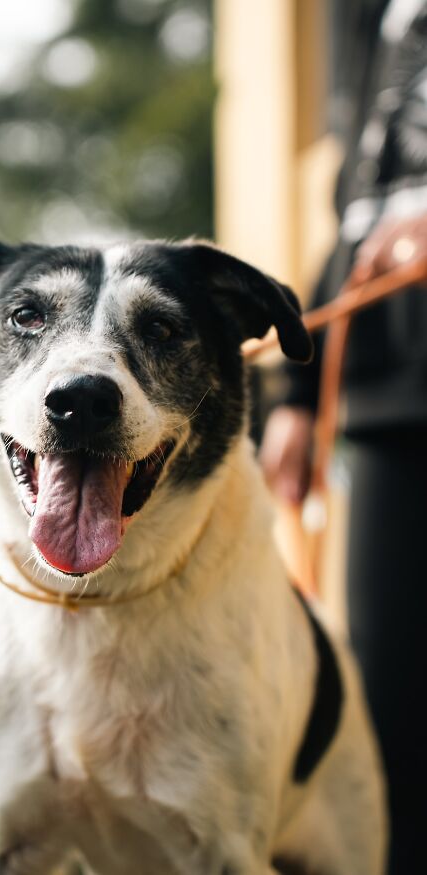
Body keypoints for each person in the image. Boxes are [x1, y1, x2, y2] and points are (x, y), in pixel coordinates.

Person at [260, 2, 427, 873]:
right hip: (388, 402)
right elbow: (359, 206)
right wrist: (296, 391)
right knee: (390, 720)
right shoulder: (362, 13)